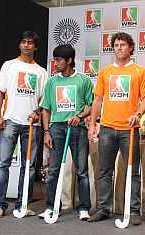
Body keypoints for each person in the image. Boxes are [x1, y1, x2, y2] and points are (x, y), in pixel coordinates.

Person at [88, 32, 145, 225]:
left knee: (133, 171)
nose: (119, 48)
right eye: (116, 45)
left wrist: (138, 114)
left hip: (129, 130)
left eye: (123, 45)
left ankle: (133, 211)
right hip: (107, 128)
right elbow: (98, 100)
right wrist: (92, 122)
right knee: (105, 171)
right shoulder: (105, 72)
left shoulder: (139, 71)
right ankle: (103, 208)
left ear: (131, 47)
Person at [0, 31, 47, 219]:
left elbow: (44, 101)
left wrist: (37, 113)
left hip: (32, 125)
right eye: (24, 42)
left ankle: (22, 205)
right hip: (10, 120)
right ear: (19, 45)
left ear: (35, 47)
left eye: (31, 43)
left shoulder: (41, 72)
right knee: (2, 164)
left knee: (28, 167)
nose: (27, 45)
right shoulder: (10, 66)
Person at [39, 44, 93, 221]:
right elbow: (45, 109)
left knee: (82, 170)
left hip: (77, 128)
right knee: (53, 170)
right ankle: (51, 206)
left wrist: (79, 115)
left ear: (69, 60)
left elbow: (90, 105)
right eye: (54, 59)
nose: (55, 63)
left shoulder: (83, 80)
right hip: (56, 128)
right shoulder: (52, 82)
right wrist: (46, 132)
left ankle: (84, 207)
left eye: (59, 60)